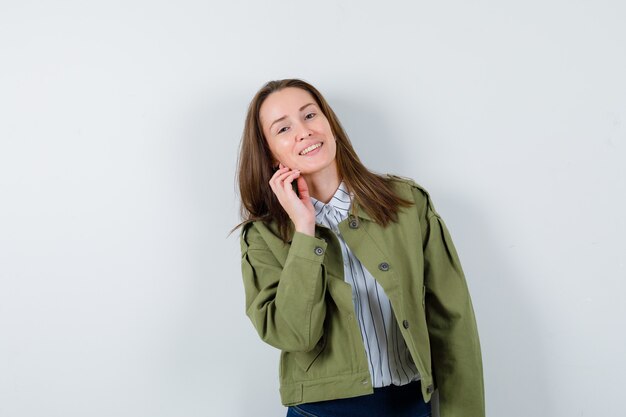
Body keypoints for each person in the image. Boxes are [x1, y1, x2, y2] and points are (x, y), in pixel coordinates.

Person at [232, 78, 485, 417]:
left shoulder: (407, 204)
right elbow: (294, 336)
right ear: (270, 153)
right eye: (283, 128)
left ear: (329, 124)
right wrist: (305, 232)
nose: (303, 131)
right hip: (320, 411)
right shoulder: (263, 236)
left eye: (309, 116)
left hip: (410, 405)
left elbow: (453, 321)